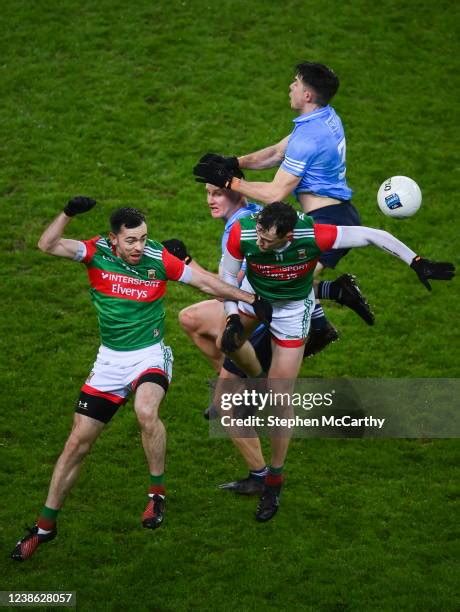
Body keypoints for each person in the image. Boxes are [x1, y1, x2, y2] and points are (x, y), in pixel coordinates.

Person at [11, 196, 272, 561]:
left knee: (146, 412)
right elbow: (47, 244)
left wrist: (249, 298)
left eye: (144, 238)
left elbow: (206, 284)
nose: (139, 247)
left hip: (150, 355)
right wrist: (68, 213)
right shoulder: (94, 252)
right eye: (131, 240)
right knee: (77, 444)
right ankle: (44, 527)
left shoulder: (157, 260)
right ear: (113, 239)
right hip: (109, 363)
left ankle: (156, 495)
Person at [217, 201, 454, 522]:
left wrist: (416, 261)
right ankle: (255, 379)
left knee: (279, 397)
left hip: (291, 312)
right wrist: (232, 318)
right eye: (258, 234)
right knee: (220, 340)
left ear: (287, 236)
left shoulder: (314, 236)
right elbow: (227, 277)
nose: (259, 243)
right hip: (251, 298)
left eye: (267, 240)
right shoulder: (245, 234)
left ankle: (273, 481)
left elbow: (373, 234)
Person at [165, 183, 373, 496]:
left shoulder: (253, 231)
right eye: (208, 192)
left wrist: (188, 265)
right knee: (191, 319)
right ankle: (252, 381)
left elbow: (247, 288)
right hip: (264, 312)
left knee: (227, 407)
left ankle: (264, 475)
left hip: (272, 321)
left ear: (240, 194)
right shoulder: (246, 226)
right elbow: (244, 287)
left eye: (218, 192)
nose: (210, 200)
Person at [193, 61, 374, 356]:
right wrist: (233, 162)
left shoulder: (309, 138)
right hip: (336, 212)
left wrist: (230, 182)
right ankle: (332, 300)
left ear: (307, 96)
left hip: (325, 219)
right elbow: (278, 152)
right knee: (282, 278)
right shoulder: (325, 118)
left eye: (295, 82)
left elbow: (276, 193)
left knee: (279, 282)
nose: (290, 86)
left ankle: (310, 329)